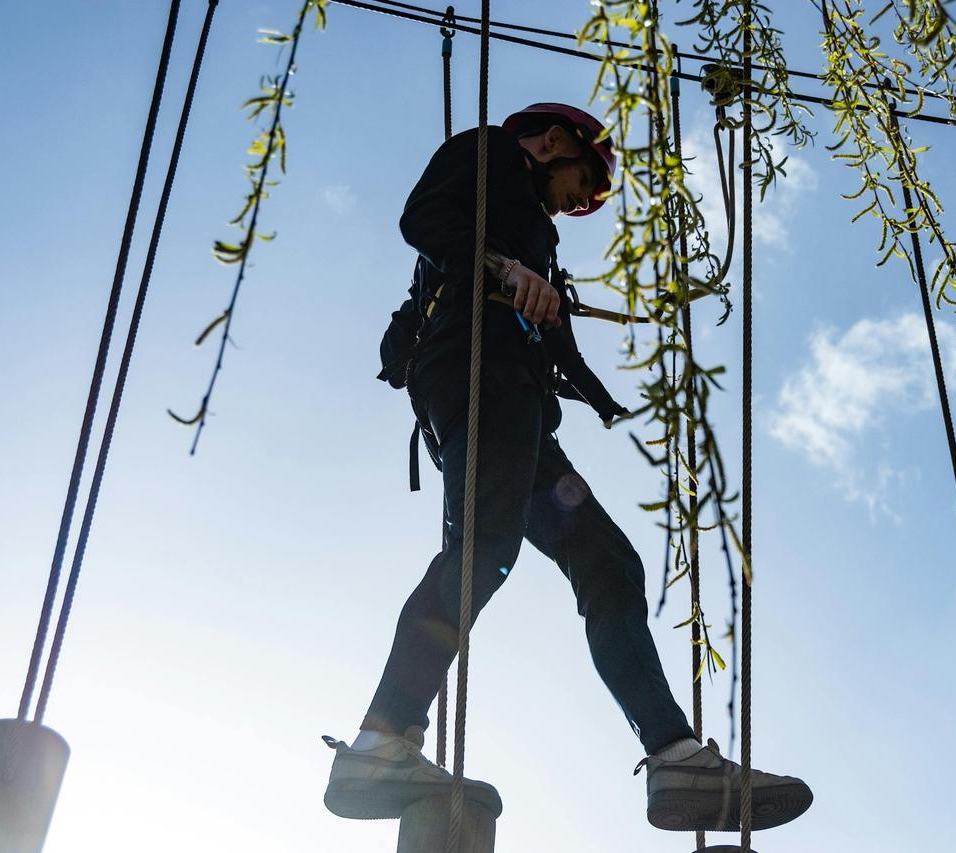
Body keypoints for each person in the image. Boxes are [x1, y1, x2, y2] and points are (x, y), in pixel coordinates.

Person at [323, 102, 812, 834]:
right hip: (477, 377)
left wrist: (604, 397)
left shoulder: (535, 235)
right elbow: (423, 219)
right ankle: (382, 738)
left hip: (517, 403)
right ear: (552, 142)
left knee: (609, 563)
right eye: (581, 182)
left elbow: (555, 338)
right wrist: (505, 266)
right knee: (484, 549)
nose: (580, 201)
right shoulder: (488, 155)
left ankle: (675, 753)